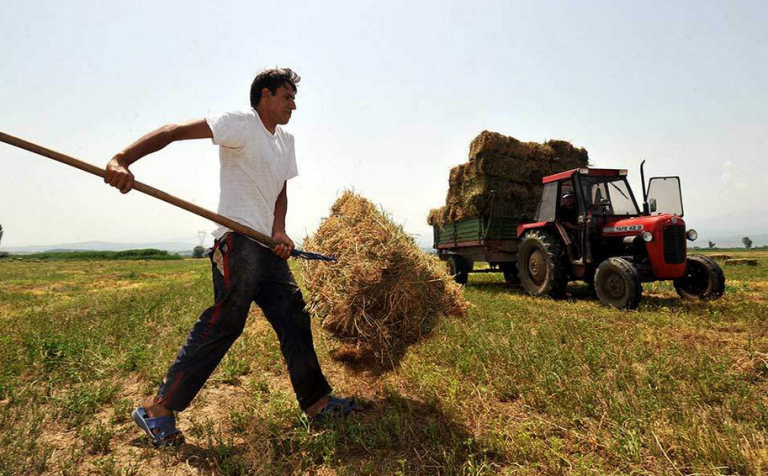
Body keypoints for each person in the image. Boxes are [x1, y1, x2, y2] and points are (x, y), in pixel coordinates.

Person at [105, 68, 355, 447]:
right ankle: (157, 410)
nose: (293, 105)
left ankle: (317, 403)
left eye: (294, 98)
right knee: (226, 322)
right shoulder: (240, 124)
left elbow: (280, 191)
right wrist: (122, 159)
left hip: (267, 247)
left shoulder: (286, 141)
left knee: (294, 316)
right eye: (287, 96)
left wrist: (279, 230)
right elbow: (173, 131)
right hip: (237, 242)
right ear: (266, 95)